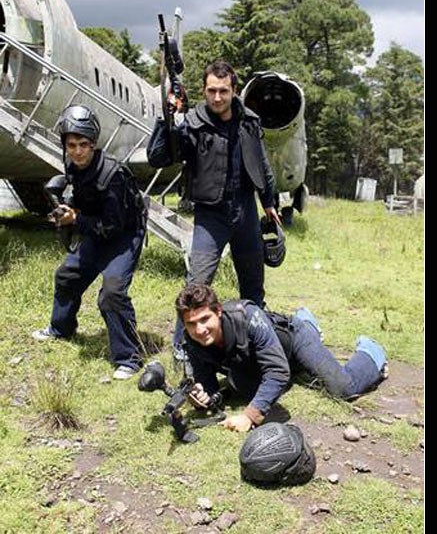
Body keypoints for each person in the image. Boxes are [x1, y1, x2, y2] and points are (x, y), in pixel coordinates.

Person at [147, 60, 281, 360]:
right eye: (211, 91)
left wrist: (270, 202)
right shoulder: (192, 124)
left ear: (234, 90)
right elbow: (156, 157)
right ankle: (183, 346)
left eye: (223, 91)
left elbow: (262, 164)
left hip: (245, 210)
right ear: (204, 91)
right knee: (197, 284)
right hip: (211, 214)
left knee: (253, 287)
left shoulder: (249, 121)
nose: (217, 98)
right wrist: (166, 119)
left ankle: (260, 344)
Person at [31, 105, 148, 380]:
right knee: (66, 276)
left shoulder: (113, 174)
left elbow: (113, 226)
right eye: (71, 145)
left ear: (93, 144)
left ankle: (129, 358)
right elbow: (83, 199)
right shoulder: (72, 165)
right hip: (97, 230)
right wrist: (66, 207)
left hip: (123, 235)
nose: (77, 151)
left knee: (112, 294)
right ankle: (61, 328)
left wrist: (75, 221)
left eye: (83, 145)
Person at [175, 283, 388, 432]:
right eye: (191, 323)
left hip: (293, 341)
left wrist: (249, 417)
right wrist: (202, 398)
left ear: (219, 311)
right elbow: (208, 386)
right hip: (256, 361)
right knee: (247, 390)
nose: (200, 329)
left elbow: (278, 371)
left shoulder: (247, 317)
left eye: (205, 319)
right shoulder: (192, 340)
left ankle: (371, 351)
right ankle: (308, 321)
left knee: (344, 388)